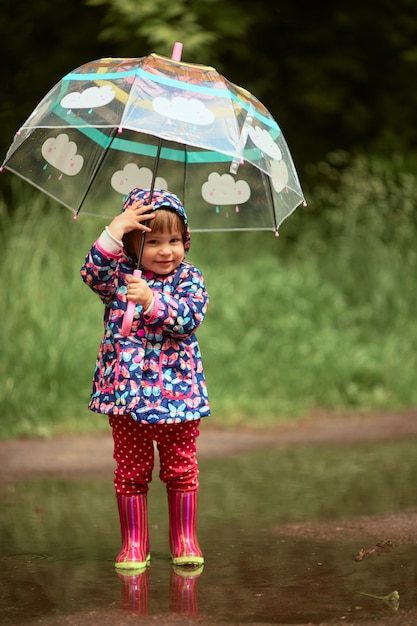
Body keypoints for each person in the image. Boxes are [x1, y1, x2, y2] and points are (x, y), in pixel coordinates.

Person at [80, 188, 210, 572]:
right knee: (131, 471)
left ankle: (184, 538)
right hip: (126, 394)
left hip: (178, 395)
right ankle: (134, 542)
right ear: (134, 244)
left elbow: (188, 319)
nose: (166, 251)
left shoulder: (190, 278)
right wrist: (113, 231)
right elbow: (91, 273)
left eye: (174, 240)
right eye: (153, 241)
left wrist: (152, 300)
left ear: (185, 241)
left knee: (181, 467)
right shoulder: (119, 276)